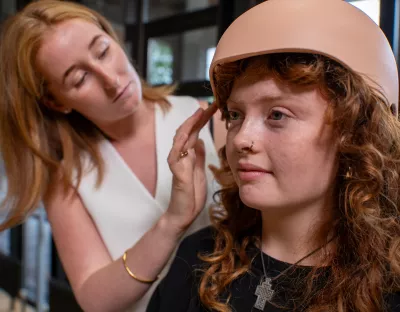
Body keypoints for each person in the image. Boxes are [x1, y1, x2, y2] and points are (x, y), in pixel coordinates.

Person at [147, 0, 400, 311]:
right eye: (235, 114)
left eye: (277, 115)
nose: (241, 139)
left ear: (356, 132)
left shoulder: (390, 286)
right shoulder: (198, 258)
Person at [0, 0, 225, 311]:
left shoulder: (209, 121)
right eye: (79, 79)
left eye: (103, 51)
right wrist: (172, 222)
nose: (110, 79)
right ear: (56, 102)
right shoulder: (67, 181)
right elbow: (95, 299)